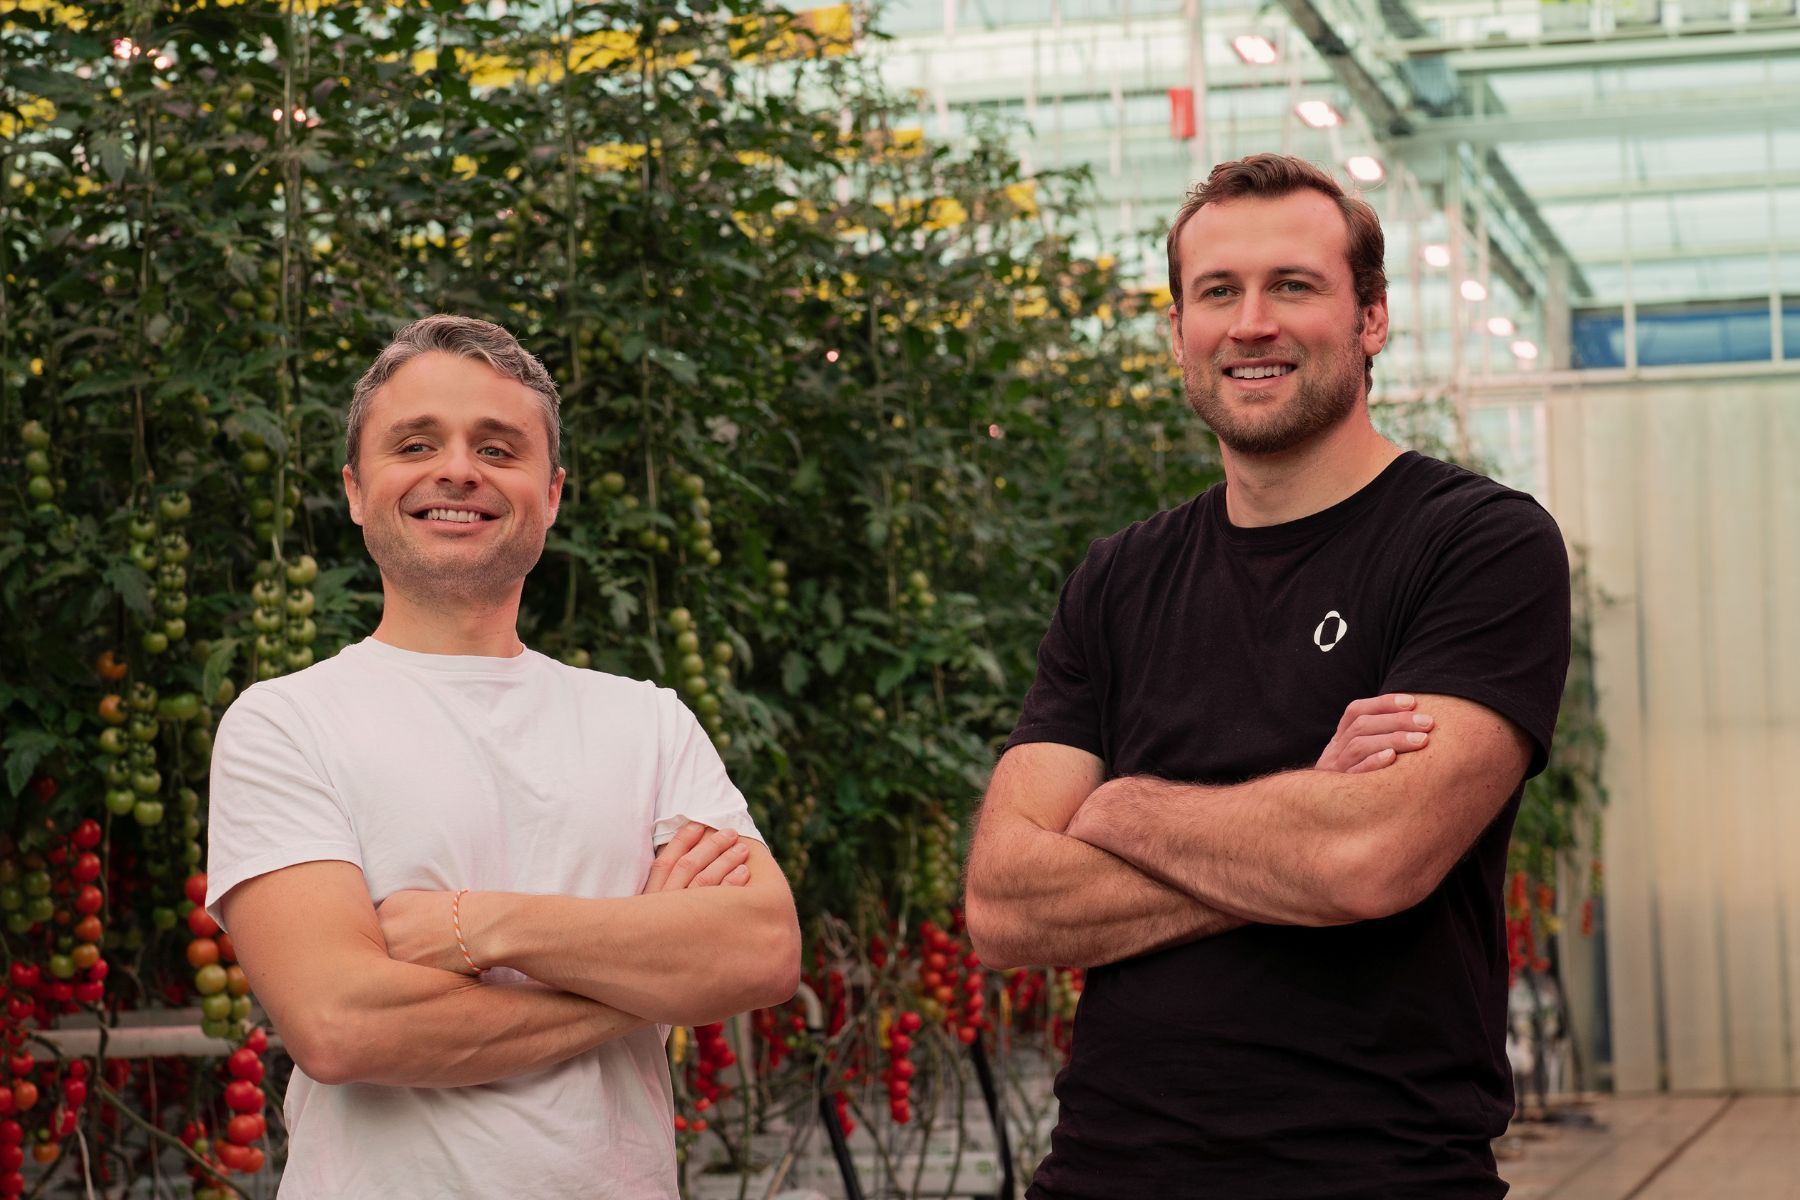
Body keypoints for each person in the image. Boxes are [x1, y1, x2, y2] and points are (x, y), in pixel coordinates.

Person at [964, 154, 1571, 1198]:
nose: (1251, 323)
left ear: (1371, 318)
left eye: (1293, 285)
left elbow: (1370, 859)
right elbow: (1008, 908)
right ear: (1178, 332)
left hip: (1377, 1172)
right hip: (1104, 1170)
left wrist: (1119, 807)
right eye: (1217, 293)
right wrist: (1296, 831)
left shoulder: (1477, 545)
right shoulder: (1119, 579)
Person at [205, 315, 801, 1198]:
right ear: (356, 489)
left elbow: (761, 952)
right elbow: (340, 1024)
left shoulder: (648, 723)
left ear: (552, 493)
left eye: (498, 447)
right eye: (416, 443)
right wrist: (647, 972)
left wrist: (474, 925)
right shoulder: (285, 723)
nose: (457, 470)